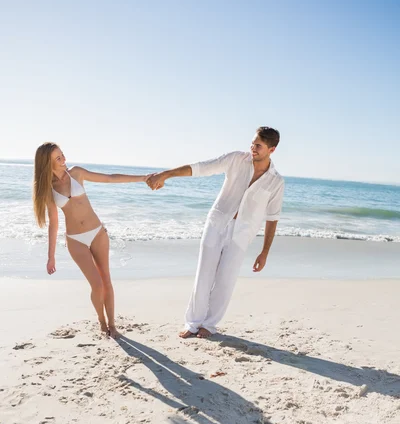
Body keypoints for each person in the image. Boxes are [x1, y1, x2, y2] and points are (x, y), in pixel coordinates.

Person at [146, 127, 284, 338]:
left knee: (226, 280)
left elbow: (273, 217)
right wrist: (167, 174)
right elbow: (202, 168)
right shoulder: (236, 159)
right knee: (204, 274)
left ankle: (209, 325)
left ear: (271, 150)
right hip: (217, 223)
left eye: (258, 146)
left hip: (242, 234)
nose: (252, 148)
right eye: (253, 143)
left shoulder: (276, 181)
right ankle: (192, 323)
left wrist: (264, 252)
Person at [33, 142, 148, 338]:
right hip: (75, 240)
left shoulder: (76, 173)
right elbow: (54, 223)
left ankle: (113, 325)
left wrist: (143, 178)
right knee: (96, 285)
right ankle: (101, 321)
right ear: (46, 163)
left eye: (63, 155)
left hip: (97, 233)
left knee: (107, 281)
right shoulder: (48, 189)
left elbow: (110, 179)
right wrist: (51, 257)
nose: (64, 160)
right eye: (58, 158)